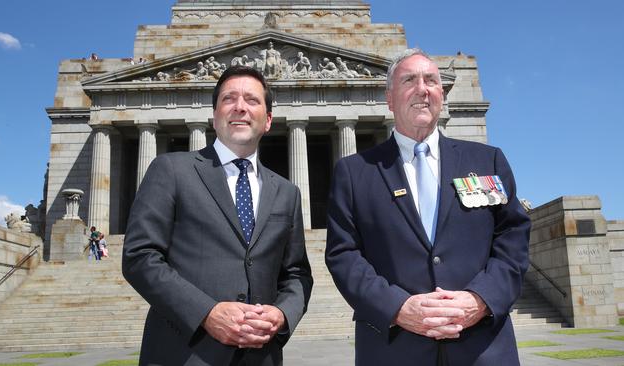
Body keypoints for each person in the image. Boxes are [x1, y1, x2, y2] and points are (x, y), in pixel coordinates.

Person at [325, 49, 530, 365]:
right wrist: (398, 308)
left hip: (483, 350)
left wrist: (479, 299)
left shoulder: (487, 160)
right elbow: (343, 254)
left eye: (431, 80)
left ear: (442, 95)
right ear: (389, 99)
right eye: (409, 80)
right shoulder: (354, 172)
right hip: (393, 350)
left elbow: (513, 241)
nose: (422, 89)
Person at [122, 65, 313, 366]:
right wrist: (206, 313)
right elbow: (139, 256)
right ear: (214, 116)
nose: (240, 107)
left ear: (268, 120)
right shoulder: (171, 170)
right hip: (184, 354)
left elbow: (297, 273)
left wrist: (282, 314)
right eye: (229, 99)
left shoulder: (287, 193)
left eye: (252, 100)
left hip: (261, 356)